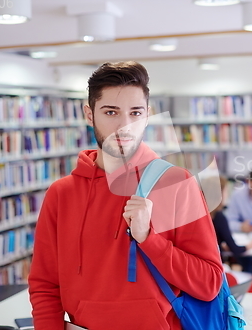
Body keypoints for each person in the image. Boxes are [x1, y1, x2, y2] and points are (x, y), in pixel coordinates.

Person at [28, 61, 223, 330]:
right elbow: (45, 285)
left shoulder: (177, 184)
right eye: (111, 112)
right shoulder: (61, 194)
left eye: (135, 113)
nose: (125, 126)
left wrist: (149, 240)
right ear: (89, 114)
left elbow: (209, 283)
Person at [203, 175, 252, 273]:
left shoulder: (200, 215)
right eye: (226, 191)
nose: (227, 195)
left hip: (204, 267)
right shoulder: (219, 217)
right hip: (217, 269)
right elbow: (235, 249)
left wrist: (219, 245)